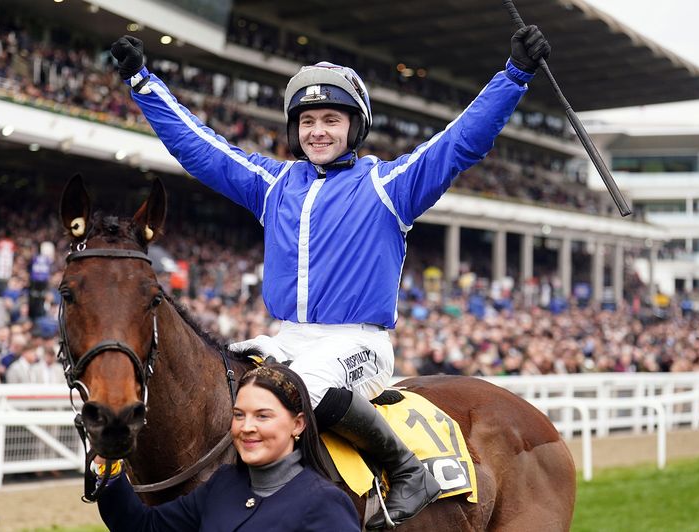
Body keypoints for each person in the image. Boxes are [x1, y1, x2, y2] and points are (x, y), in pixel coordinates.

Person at [110, 24, 551, 528]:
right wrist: (143, 85)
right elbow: (201, 149)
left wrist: (513, 76)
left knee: (293, 390)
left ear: (353, 128)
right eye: (309, 121)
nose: (318, 131)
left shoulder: (390, 185)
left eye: (331, 120)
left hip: (357, 346)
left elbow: (460, 143)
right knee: (229, 385)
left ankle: (407, 471)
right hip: (289, 338)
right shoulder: (273, 184)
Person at [96, 364, 358, 531]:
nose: (247, 427)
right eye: (239, 415)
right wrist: (109, 467)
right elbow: (144, 526)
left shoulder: (325, 503)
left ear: (298, 425)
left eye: (262, 416)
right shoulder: (221, 484)